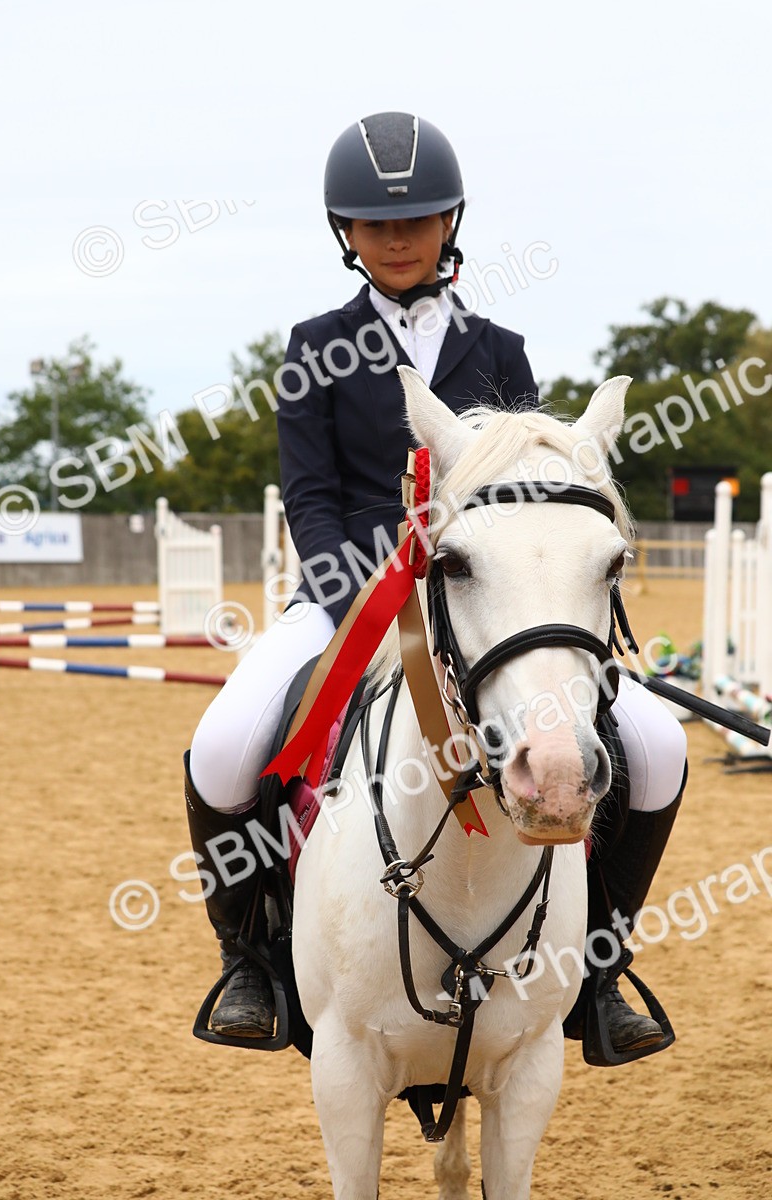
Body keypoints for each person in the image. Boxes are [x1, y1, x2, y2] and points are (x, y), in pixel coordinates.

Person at [184, 112, 688, 1061]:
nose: (399, 238)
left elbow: (528, 494)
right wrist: (361, 608)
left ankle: (602, 968)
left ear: (453, 220)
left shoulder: (501, 348)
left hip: (486, 607)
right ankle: (248, 962)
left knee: (656, 749)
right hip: (346, 605)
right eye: (376, 224)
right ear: (346, 235)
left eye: (416, 218)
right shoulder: (315, 345)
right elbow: (313, 498)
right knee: (222, 746)